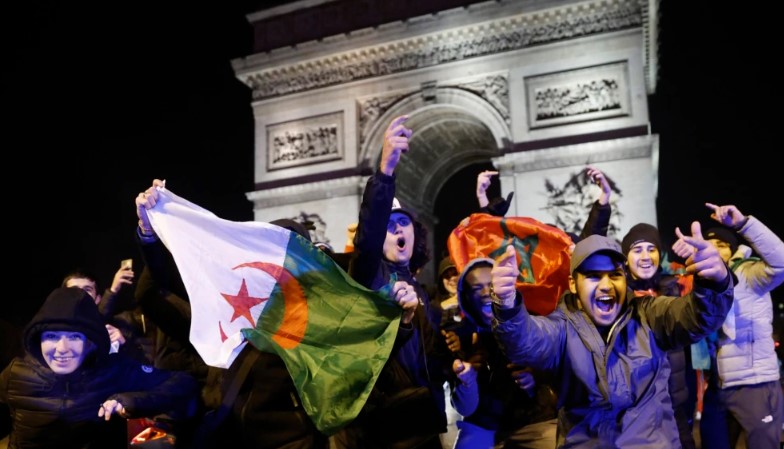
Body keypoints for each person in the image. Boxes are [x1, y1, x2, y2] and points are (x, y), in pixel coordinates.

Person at [491, 225, 734, 448]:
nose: (606, 285)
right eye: (593, 276)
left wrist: (715, 281)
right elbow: (525, 343)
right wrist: (507, 305)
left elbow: (698, 318)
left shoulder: (648, 313)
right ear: (573, 284)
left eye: (614, 275)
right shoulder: (561, 328)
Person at [135, 182, 331, 449]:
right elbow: (151, 296)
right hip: (226, 436)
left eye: (287, 258)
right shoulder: (225, 315)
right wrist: (154, 234)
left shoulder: (320, 324)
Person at [333, 114, 462, 449]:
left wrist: (452, 357)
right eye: (389, 226)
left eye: (403, 222)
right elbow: (367, 238)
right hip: (387, 423)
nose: (398, 230)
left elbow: (430, 356)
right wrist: (385, 172)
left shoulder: (420, 290)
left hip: (424, 416)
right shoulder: (368, 275)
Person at [0, 286, 198, 449]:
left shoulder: (113, 370)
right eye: (51, 336)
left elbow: (183, 383)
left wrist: (130, 402)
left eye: (74, 337)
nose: (62, 349)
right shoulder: (15, 374)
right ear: (38, 340)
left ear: (90, 342)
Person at [673, 203, 784, 449]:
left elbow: (782, 262)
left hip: (755, 383)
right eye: (710, 245)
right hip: (719, 385)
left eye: (722, 246)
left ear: (733, 252)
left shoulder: (750, 274)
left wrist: (745, 224)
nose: (715, 250)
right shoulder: (700, 280)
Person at [453, 257, 558, 449]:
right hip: (483, 427)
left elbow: (559, 368)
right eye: (477, 289)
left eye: (492, 285)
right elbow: (464, 408)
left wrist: (536, 377)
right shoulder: (459, 338)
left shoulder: (531, 323)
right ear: (466, 297)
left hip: (534, 422)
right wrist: (467, 382)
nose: (486, 293)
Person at [621, 222, 696, 449]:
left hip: (675, 407)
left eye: (651, 249)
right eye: (637, 249)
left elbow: (719, 290)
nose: (645, 256)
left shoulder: (677, 287)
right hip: (634, 412)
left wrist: (698, 259)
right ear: (625, 258)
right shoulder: (617, 293)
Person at [62, 268, 153, 363]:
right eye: (74, 289)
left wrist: (125, 344)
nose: (81, 294)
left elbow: (146, 365)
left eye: (87, 289)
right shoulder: (52, 325)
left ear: (97, 299)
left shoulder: (121, 325)